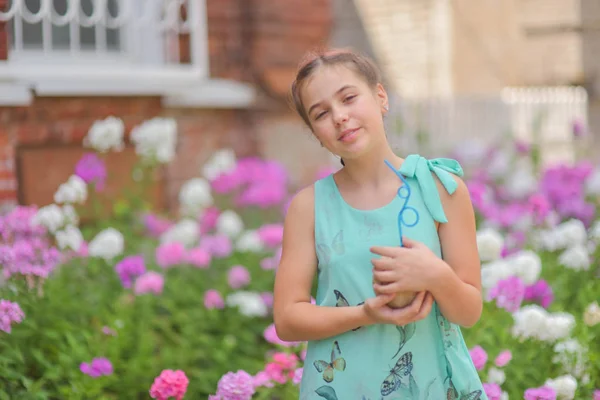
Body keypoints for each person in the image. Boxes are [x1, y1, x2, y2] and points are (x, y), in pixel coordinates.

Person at [273, 48, 487, 400]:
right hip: (342, 386)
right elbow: (287, 318)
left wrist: (436, 275)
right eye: (321, 113)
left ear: (380, 97)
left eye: (349, 98)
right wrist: (366, 313)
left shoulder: (440, 188)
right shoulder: (309, 207)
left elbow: (469, 311)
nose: (340, 117)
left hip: (432, 385)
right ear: (316, 133)